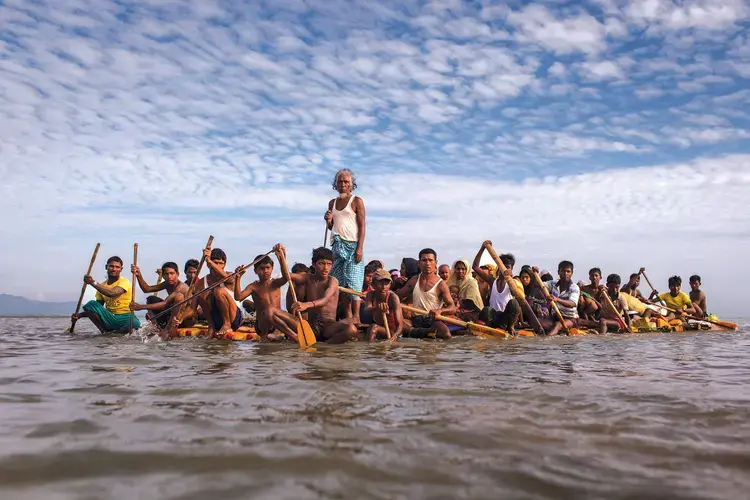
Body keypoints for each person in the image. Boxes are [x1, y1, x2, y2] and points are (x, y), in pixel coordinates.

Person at [276, 244, 359, 344]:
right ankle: (296, 338)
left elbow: (324, 300)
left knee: (352, 329)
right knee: (270, 311)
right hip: (311, 327)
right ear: (314, 264)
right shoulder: (308, 278)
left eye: (329, 264)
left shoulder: (332, 281)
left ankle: (324, 346)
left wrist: (306, 305)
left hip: (328, 327)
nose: (326, 268)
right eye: (321, 263)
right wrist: (282, 258)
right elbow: (287, 277)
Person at [325, 169, 366, 322]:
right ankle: (347, 316)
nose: (343, 184)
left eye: (346, 182)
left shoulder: (357, 201)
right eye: (340, 181)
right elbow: (332, 227)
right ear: (335, 184)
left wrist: (360, 248)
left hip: (352, 245)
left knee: (354, 281)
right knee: (338, 281)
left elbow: (362, 226)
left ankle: (356, 317)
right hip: (336, 244)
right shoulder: (332, 203)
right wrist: (328, 221)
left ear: (351, 185)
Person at [233, 254, 297, 342]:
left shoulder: (275, 283)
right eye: (262, 268)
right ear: (255, 271)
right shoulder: (253, 286)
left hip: (278, 323)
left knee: (286, 316)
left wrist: (281, 257)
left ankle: (280, 334)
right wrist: (238, 277)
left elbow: (286, 277)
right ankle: (293, 336)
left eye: (268, 268)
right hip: (263, 325)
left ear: (272, 269)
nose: (265, 271)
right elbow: (238, 297)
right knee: (269, 310)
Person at [396, 248, 456, 340]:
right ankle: (421, 332)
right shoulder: (413, 281)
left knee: (445, 334)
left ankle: (418, 333)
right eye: (424, 260)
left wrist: (440, 310)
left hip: (433, 320)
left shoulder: (441, 284)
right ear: (419, 263)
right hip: (416, 320)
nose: (427, 263)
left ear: (436, 263)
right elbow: (397, 296)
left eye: (430, 260)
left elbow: (452, 307)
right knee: (397, 323)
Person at [72, 256, 140, 333]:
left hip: (127, 317)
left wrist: (92, 282)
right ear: (106, 267)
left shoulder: (125, 282)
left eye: (117, 267)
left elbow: (112, 293)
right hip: (110, 318)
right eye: (111, 266)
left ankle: (120, 331)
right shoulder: (102, 286)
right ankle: (104, 331)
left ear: (121, 269)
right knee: (90, 305)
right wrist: (79, 315)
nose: (114, 269)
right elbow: (96, 308)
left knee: (129, 330)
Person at [472, 244, 524, 334]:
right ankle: (487, 327)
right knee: (487, 310)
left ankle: (511, 327)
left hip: (506, 319)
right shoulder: (492, 281)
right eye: (503, 266)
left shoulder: (513, 283)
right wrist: (482, 248)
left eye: (508, 267)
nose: (504, 269)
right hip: (493, 318)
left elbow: (517, 298)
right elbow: (475, 267)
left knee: (514, 303)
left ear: (511, 269)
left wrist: (509, 279)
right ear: (498, 267)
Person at [129, 261, 190, 336]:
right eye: (166, 274)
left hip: (184, 317)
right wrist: (138, 275)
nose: (169, 276)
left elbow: (165, 303)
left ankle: (168, 328)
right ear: (163, 276)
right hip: (171, 312)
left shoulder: (181, 287)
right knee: (151, 299)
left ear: (177, 274)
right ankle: (155, 327)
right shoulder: (167, 283)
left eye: (172, 273)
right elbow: (147, 289)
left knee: (179, 297)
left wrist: (141, 307)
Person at [198, 248, 242, 337]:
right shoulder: (200, 283)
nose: (217, 266)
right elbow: (192, 307)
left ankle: (227, 324)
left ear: (224, 265)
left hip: (233, 318)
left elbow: (228, 279)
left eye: (220, 263)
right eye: (215, 262)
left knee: (218, 291)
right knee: (202, 294)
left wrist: (210, 262)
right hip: (215, 320)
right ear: (208, 265)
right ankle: (211, 326)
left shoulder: (230, 275)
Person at [536, 261, 580, 336]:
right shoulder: (553, 283)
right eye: (563, 271)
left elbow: (572, 304)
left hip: (570, 318)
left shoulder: (574, 287)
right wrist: (535, 273)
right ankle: (557, 330)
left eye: (568, 271)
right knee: (536, 322)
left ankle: (546, 341)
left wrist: (557, 299)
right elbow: (539, 285)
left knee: (558, 325)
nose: (565, 274)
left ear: (571, 273)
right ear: (558, 272)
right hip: (555, 317)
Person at [363, 269, 404, 342]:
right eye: (380, 283)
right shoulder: (371, 294)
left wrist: (395, 336)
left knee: (373, 327)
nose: (383, 287)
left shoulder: (393, 297)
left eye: (386, 283)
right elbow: (366, 310)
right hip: (380, 328)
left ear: (390, 285)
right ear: (373, 285)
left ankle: (369, 348)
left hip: (392, 332)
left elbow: (400, 324)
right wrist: (377, 308)